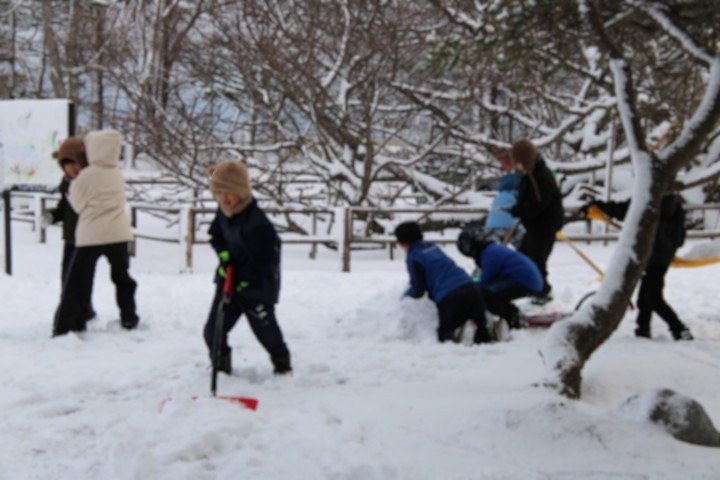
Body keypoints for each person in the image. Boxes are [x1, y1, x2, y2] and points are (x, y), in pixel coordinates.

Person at [203, 160, 291, 375]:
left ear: (242, 192)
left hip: (256, 288)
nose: (224, 198)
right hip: (228, 283)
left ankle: (282, 364)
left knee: (266, 332)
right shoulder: (224, 212)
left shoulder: (258, 224)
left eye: (230, 192)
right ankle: (221, 369)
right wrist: (224, 256)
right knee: (213, 331)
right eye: (219, 192)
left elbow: (265, 261)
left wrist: (243, 279)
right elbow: (216, 236)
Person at [53, 129, 139, 336]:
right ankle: (129, 317)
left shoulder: (86, 176)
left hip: (91, 235)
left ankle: (64, 326)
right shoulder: (117, 174)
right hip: (119, 233)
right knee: (122, 277)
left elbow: (76, 204)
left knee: (76, 281)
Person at [581, 194, 693, 341]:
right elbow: (680, 233)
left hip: (650, 251)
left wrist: (598, 206)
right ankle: (642, 329)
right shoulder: (675, 200)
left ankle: (679, 329)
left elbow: (626, 210)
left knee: (653, 297)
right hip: (663, 254)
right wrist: (671, 247)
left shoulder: (651, 194)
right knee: (646, 295)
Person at [394, 221, 495, 344]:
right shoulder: (433, 247)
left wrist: (405, 297)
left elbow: (418, 289)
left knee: (445, 333)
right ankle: (488, 331)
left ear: (403, 242)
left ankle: (463, 333)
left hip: (450, 296)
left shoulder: (414, 257)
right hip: (471, 287)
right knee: (482, 333)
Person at [45, 137, 96, 321]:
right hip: (70, 238)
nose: (71, 169)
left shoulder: (91, 183)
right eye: (66, 165)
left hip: (87, 238)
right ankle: (80, 311)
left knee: (80, 278)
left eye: (75, 163)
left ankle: (79, 313)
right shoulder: (66, 183)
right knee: (67, 277)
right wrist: (51, 216)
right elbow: (63, 209)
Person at [457, 224, 544, 329]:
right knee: (489, 292)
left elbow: (484, 281)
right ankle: (511, 314)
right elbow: (480, 278)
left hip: (525, 282)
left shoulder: (490, 254)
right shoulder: (491, 250)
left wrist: (470, 290)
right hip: (527, 280)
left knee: (484, 294)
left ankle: (513, 317)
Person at [509, 139, 563, 305]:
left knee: (536, 260)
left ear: (524, 160)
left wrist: (519, 210)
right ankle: (531, 289)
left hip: (544, 227)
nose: (515, 166)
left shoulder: (540, 176)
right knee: (523, 257)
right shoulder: (530, 174)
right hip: (534, 226)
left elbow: (539, 203)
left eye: (517, 161)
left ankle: (543, 293)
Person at [484, 150, 523, 246]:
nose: (502, 167)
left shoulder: (509, 181)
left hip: (495, 223)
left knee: (496, 249)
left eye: (503, 164)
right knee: (523, 248)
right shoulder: (516, 179)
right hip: (510, 223)